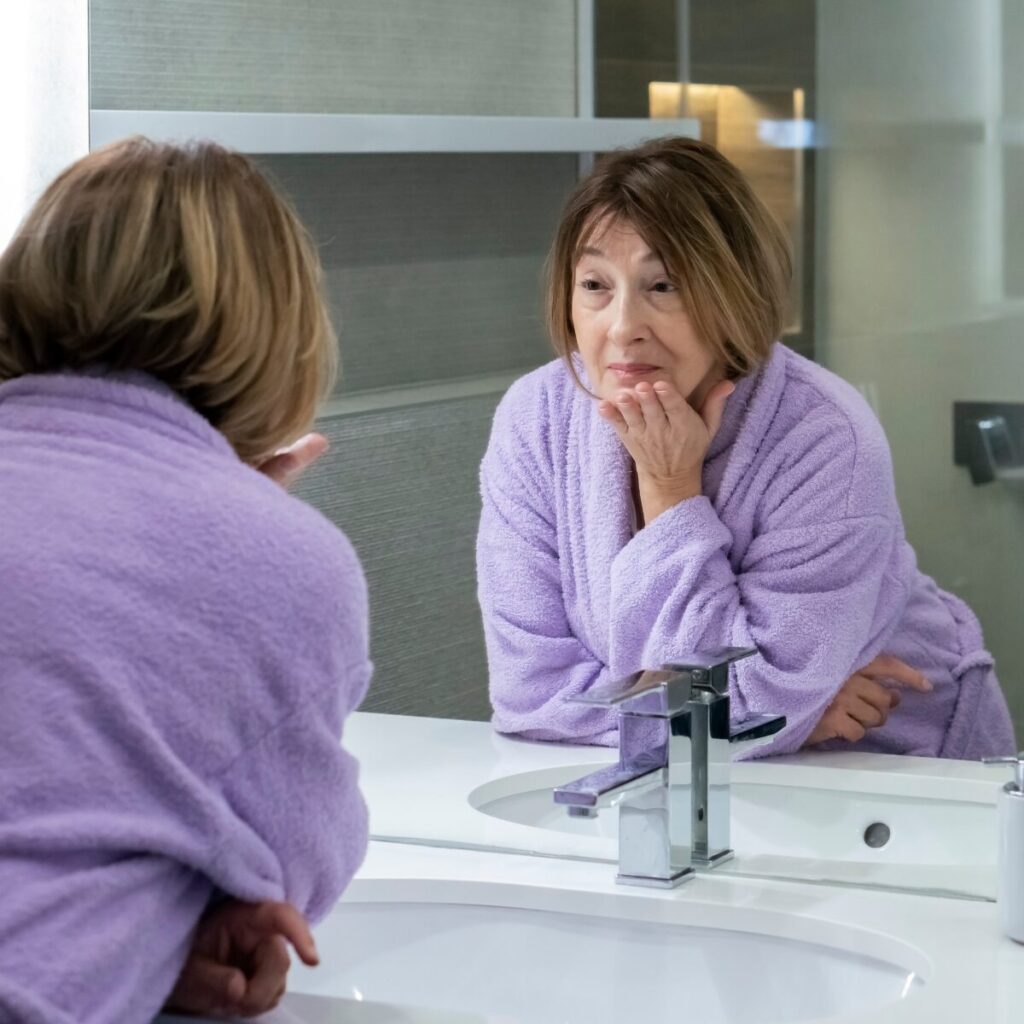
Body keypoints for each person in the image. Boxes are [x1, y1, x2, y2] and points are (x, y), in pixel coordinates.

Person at [477, 135, 1016, 760]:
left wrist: (670, 489)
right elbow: (529, 693)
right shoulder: (537, 419)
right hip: (707, 772)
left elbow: (756, 697)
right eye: (595, 285)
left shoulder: (822, 433)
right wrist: (764, 722)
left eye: (664, 285)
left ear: (731, 291)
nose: (623, 328)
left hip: (888, 756)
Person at [0, 138, 370, 1022]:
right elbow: (289, 864)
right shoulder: (283, 564)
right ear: (275, 323)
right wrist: (243, 526)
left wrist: (144, 945)